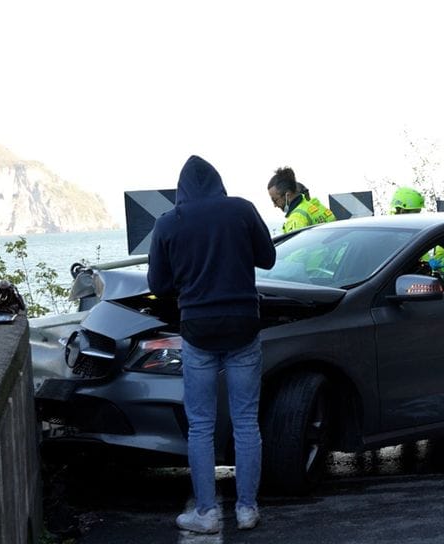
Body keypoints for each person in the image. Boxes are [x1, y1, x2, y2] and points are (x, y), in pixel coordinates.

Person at [147, 155, 276, 534]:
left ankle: (205, 512)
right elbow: (267, 258)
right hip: (243, 325)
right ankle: (247, 509)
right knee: (246, 420)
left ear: (181, 189)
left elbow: (158, 285)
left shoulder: (168, 223)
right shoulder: (241, 210)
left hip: (198, 329)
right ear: (218, 182)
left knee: (201, 424)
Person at [267, 166, 335, 233]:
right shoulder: (318, 208)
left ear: (287, 195)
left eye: (275, 200)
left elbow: (295, 244)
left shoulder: (296, 219)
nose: (275, 205)